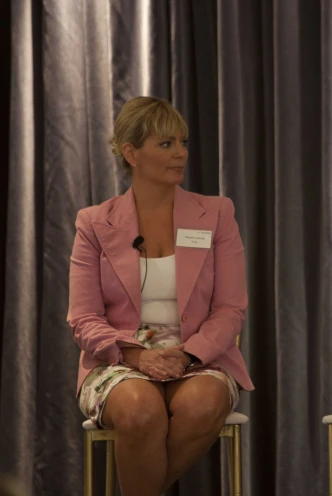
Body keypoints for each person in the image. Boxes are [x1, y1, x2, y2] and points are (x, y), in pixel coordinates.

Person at [67, 96, 253, 496]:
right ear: (131, 153)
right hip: (119, 357)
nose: (181, 153)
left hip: (197, 355)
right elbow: (82, 319)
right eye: (166, 144)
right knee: (139, 409)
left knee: (202, 404)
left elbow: (230, 309)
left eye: (182, 143)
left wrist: (186, 355)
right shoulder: (95, 223)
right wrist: (138, 356)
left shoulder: (216, 214)